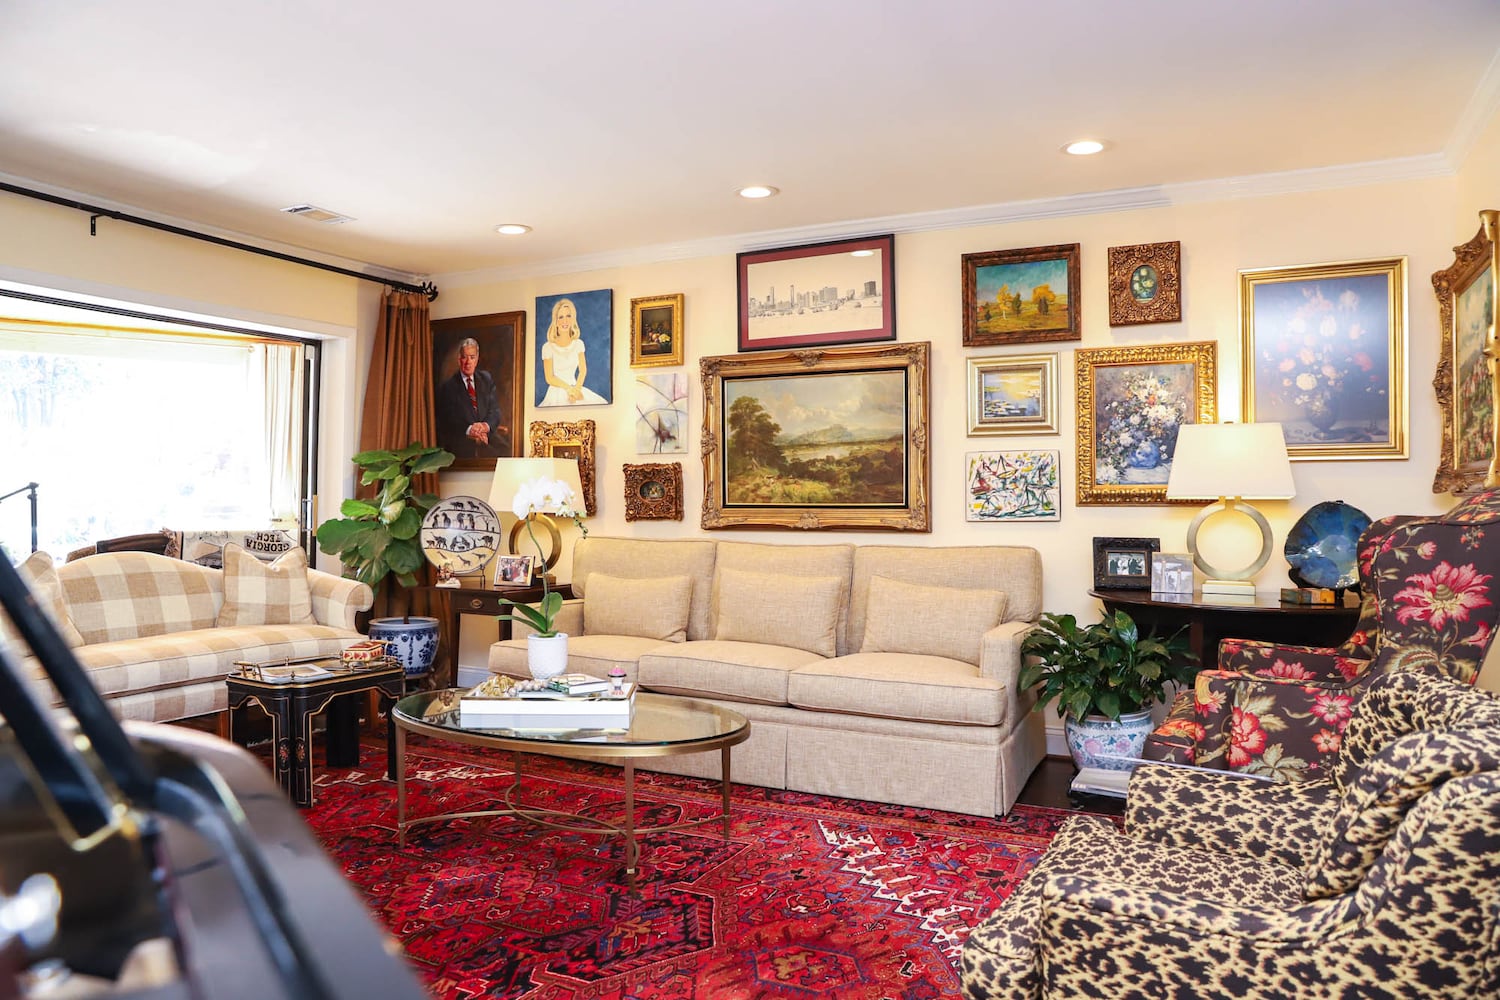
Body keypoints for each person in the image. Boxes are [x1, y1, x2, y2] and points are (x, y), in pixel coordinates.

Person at [437, 337, 509, 457]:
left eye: (472, 357)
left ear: (477, 359)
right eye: (464, 357)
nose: (468, 362)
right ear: (459, 359)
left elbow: (495, 411)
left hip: (487, 435)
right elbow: (450, 420)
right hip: (462, 440)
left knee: (505, 451)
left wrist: (484, 426)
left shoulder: (486, 379)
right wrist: (470, 429)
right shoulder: (449, 387)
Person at [540, 298, 608, 405]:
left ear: (573, 319)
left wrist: (576, 390)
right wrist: (569, 389)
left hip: (576, 389)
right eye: (561, 317)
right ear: (555, 321)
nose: (565, 321)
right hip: (556, 392)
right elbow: (549, 378)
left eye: (568, 316)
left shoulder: (579, 344)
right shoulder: (547, 347)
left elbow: (583, 370)